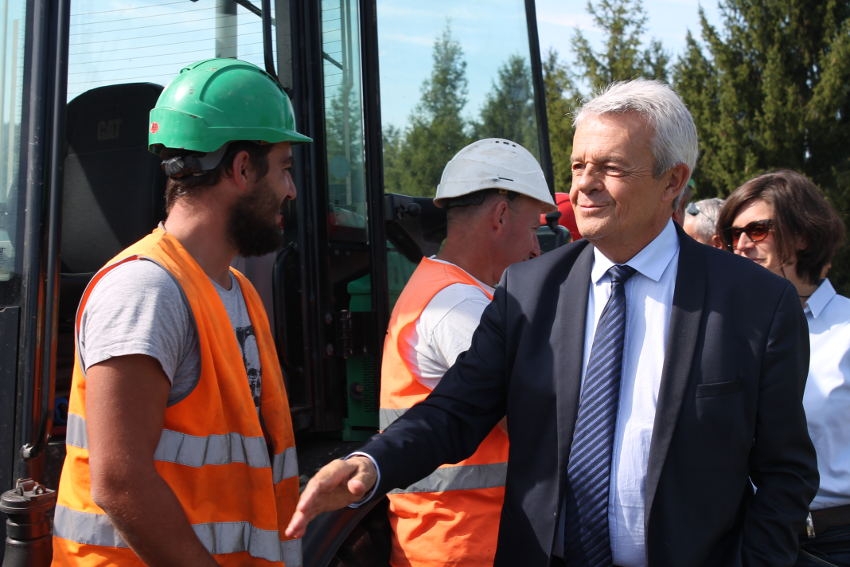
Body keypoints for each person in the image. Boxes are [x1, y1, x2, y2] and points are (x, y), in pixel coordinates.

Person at [286, 79, 818, 567]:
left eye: (610, 167)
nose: (585, 185)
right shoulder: (529, 291)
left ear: (671, 181)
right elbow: (454, 411)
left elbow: (784, 473)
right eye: (578, 166)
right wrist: (370, 464)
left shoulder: (755, 304)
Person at [52, 58, 311, 566]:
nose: (290, 190)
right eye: (283, 168)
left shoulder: (234, 289)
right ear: (241, 169)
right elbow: (120, 481)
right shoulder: (146, 291)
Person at [380, 138, 556, 567]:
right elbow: (538, 424)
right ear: (500, 215)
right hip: (465, 545)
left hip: (451, 541)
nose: (537, 248)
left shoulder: (441, 289)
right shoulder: (461, 307)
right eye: (534, 228)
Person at [718, 169, 850, 567]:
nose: (742, 245)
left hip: (835, 543)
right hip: (747, 544)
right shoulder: (725, 333)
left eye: (758, 230)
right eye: (732, 235)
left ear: (803, 234)